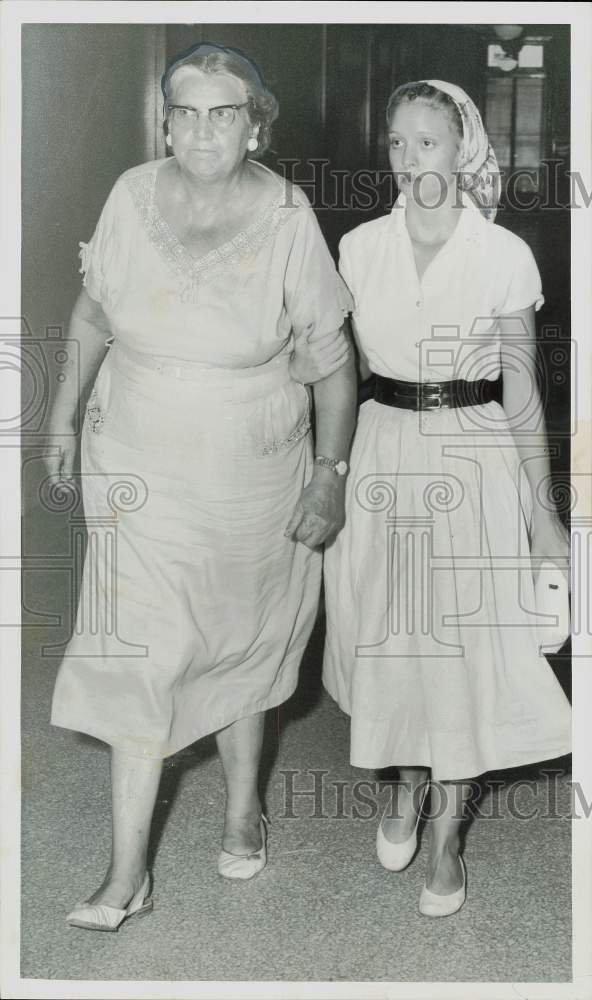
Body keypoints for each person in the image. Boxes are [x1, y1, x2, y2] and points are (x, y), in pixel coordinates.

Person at [47, 42, 356, 930]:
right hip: (136, 457)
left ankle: (241, 809)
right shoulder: (132, 195)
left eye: (224, 112)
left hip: (252, 467)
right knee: (139, 651)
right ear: (166, 118)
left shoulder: (290, 215)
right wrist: (62, 413)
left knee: (239, 641)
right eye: (185, 111)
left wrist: (329, 479)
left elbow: (333, 368)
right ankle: (126, 873)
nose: (201, 130)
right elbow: (95, 309)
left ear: (256, 122)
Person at [322, 80, 571, 917]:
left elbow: (526, 389)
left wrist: (544, 515)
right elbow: (328, 368)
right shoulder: (358, 248)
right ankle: (400, 788)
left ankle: (446, 839)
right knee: (390, 640)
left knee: (464, 655)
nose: (408, 160)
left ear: (463, 149)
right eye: (396, 143)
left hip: (475, 458)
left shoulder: (503, 256)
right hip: (383, 449)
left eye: (426, 142)